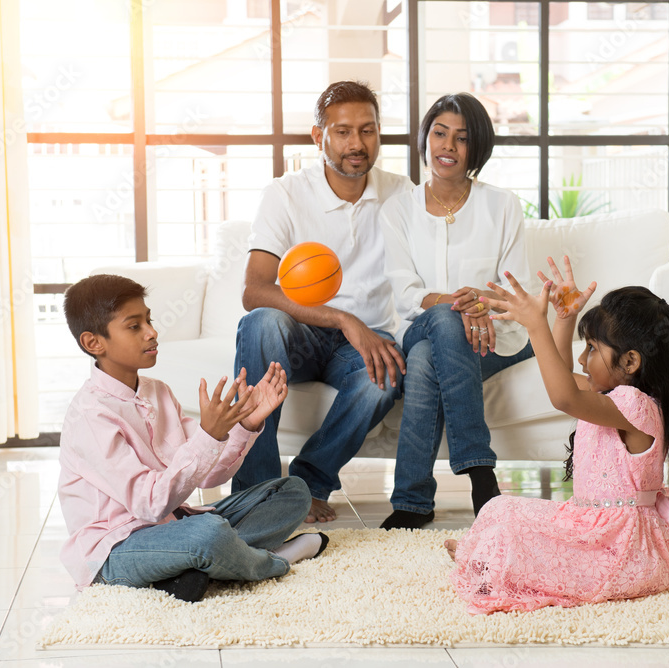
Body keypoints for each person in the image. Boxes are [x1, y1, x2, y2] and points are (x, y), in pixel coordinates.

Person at [445, 261, 669, 614]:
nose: (581, 357)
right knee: (499, 509)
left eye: (591, 348)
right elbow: (561, 378)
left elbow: (564, 397)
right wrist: (564, 319)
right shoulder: (614, 399)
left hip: (620, 552)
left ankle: (484, 558)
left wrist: (536, 325)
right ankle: (484, 555)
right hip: (596, 531)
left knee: (507, 526)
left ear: (630, 362)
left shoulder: (636, 407)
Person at [58, 274, 328, 604]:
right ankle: (273, 561)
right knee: (207, 534)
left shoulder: (158, 392)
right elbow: (150, 505)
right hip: (115, 551)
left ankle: (197, 567)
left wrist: (246, 423)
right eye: (134, 326)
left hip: (174, 526)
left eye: (149, 320)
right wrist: (209, 435)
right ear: (94, 343)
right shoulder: (90, 415)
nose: (152, 332)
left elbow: (210, 475)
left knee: (292, 491)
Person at [233, 81, 414, 523]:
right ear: (319, 137)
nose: (357, 144)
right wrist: (343, 318)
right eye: (343, 132)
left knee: (384, 374)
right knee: (262, 322)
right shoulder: (285, 193)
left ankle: (307, 485)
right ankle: (256, 491)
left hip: (364, 340)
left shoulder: (402, 193)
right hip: (300, 332)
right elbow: (254, 290)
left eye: (368, 130)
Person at [378, 93, 534, 530]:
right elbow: (407, 293)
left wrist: (483, 302)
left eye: (461, 138)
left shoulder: (502, 205)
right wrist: (461, 305)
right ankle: (481, 476)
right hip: (422, 325)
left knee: (427, 360)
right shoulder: (398, 210)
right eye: (439, 133)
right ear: (425, 139)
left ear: (476, 147)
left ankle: (412, 501)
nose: (447, 146)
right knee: (445, 323)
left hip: (496, 337)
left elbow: (515, 290)